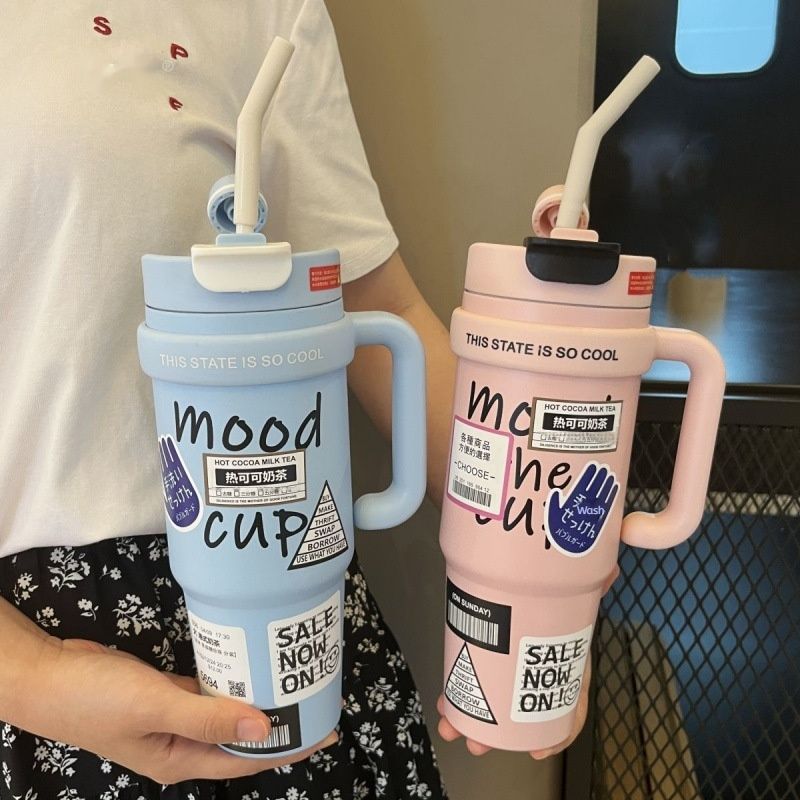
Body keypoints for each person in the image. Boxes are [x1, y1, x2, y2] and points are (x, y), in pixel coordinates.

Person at [0, 2, 596, 798]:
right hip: (47, 658)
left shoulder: (267, 11)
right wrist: (36, 677)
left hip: (306, 621)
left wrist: (537, 572)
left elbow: (375, 312)